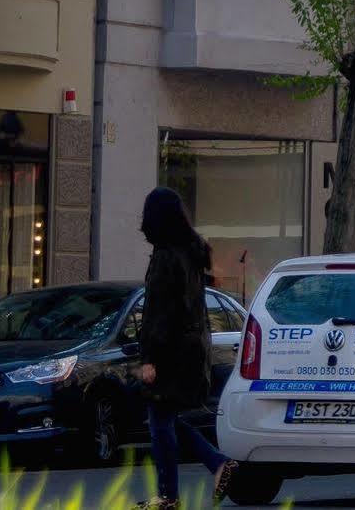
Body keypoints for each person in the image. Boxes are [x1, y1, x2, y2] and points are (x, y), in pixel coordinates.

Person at [139, 188, 238, 506]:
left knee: (159, 420)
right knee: (163, 418)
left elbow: (160, 310)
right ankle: (217, 464)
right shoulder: (189, 252)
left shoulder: (168, 256)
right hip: (189, 348)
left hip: (171, 350)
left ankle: (169, 495)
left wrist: (151, 357)